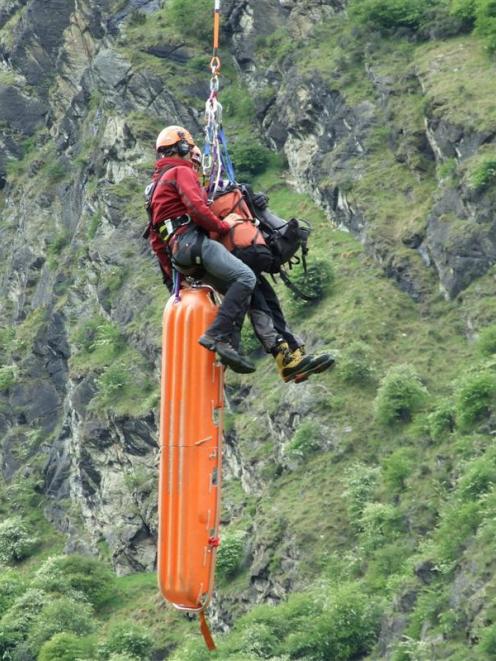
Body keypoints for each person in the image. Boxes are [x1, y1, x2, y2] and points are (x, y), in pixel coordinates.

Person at [147, 125, 257, 374]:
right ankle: (218, 336)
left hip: (180, 255)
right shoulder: (180, 172)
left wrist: (172, 281)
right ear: (183, 148)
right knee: (246, 277)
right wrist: (223, 225)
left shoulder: (154, 188)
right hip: (192, 242)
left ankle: (230, 348)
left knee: (235, 289)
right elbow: (197, 208)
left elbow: (156, 240)